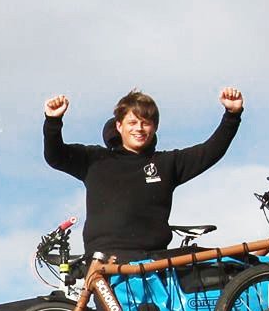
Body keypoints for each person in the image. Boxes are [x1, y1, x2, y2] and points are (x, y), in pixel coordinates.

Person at [42, 87, 244, 261]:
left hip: (153, 263)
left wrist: (232, 115)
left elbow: (210, 151)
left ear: (154, 127)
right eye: (132, 123)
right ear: (119, 126)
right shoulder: (94, 159)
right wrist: (53, 121)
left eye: (145, 123)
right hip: (105, 262)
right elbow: (55, 156)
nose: (139, 128)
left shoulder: (166, 163)